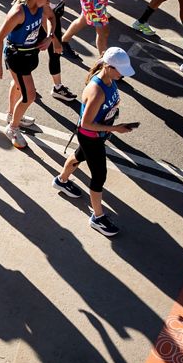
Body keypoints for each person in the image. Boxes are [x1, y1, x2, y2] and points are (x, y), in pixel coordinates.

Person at [54, 47, 137, 237]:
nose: (122, 76)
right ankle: (97, 218)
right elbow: (87, 124)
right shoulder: (97, 90)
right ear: (108, 67)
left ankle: (61, 181)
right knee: (99, 176)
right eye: (120, 71)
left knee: (78, 155)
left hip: (95, 136)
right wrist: (115, 128)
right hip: (91, 138)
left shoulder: (109, 79)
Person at [0, 0, 60, 149]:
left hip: (30, 53)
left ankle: (12, 115)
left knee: (18, 85)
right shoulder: (18, 13)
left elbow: (52, 17)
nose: (49, 2)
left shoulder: (40, 6)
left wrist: (50, 37)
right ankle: (13, 128)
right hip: (17, 57)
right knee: (29, 96)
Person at [42, 0, 80, 101]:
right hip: (44, 25)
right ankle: (57, 89)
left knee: (54, 54)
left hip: (54, 20)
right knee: (50, 53)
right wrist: (55, 39)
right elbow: (43, 20)